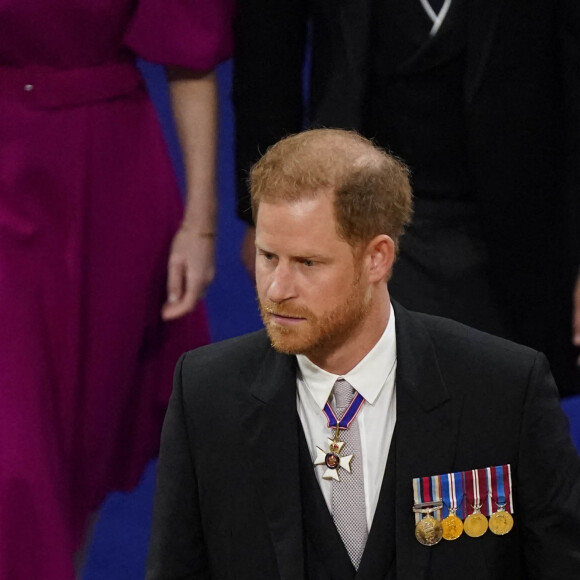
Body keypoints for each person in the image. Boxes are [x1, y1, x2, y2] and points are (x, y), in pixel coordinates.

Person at [147, 129, 580, 579]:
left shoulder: (503, 389)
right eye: (269, 257)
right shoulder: (206, 395)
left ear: (377, 258)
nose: (277, 289)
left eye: (307, 263)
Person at [233, 0, 580, 396]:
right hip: (358, 219)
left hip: (517, 234)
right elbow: (267, 53)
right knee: (354, 424)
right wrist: (264, 210)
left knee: (497, 422)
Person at [0, 1, 232, 578]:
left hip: (108, 183)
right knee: (16, 460)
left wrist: (200, 223)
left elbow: (188, 52)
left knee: (77, 455)